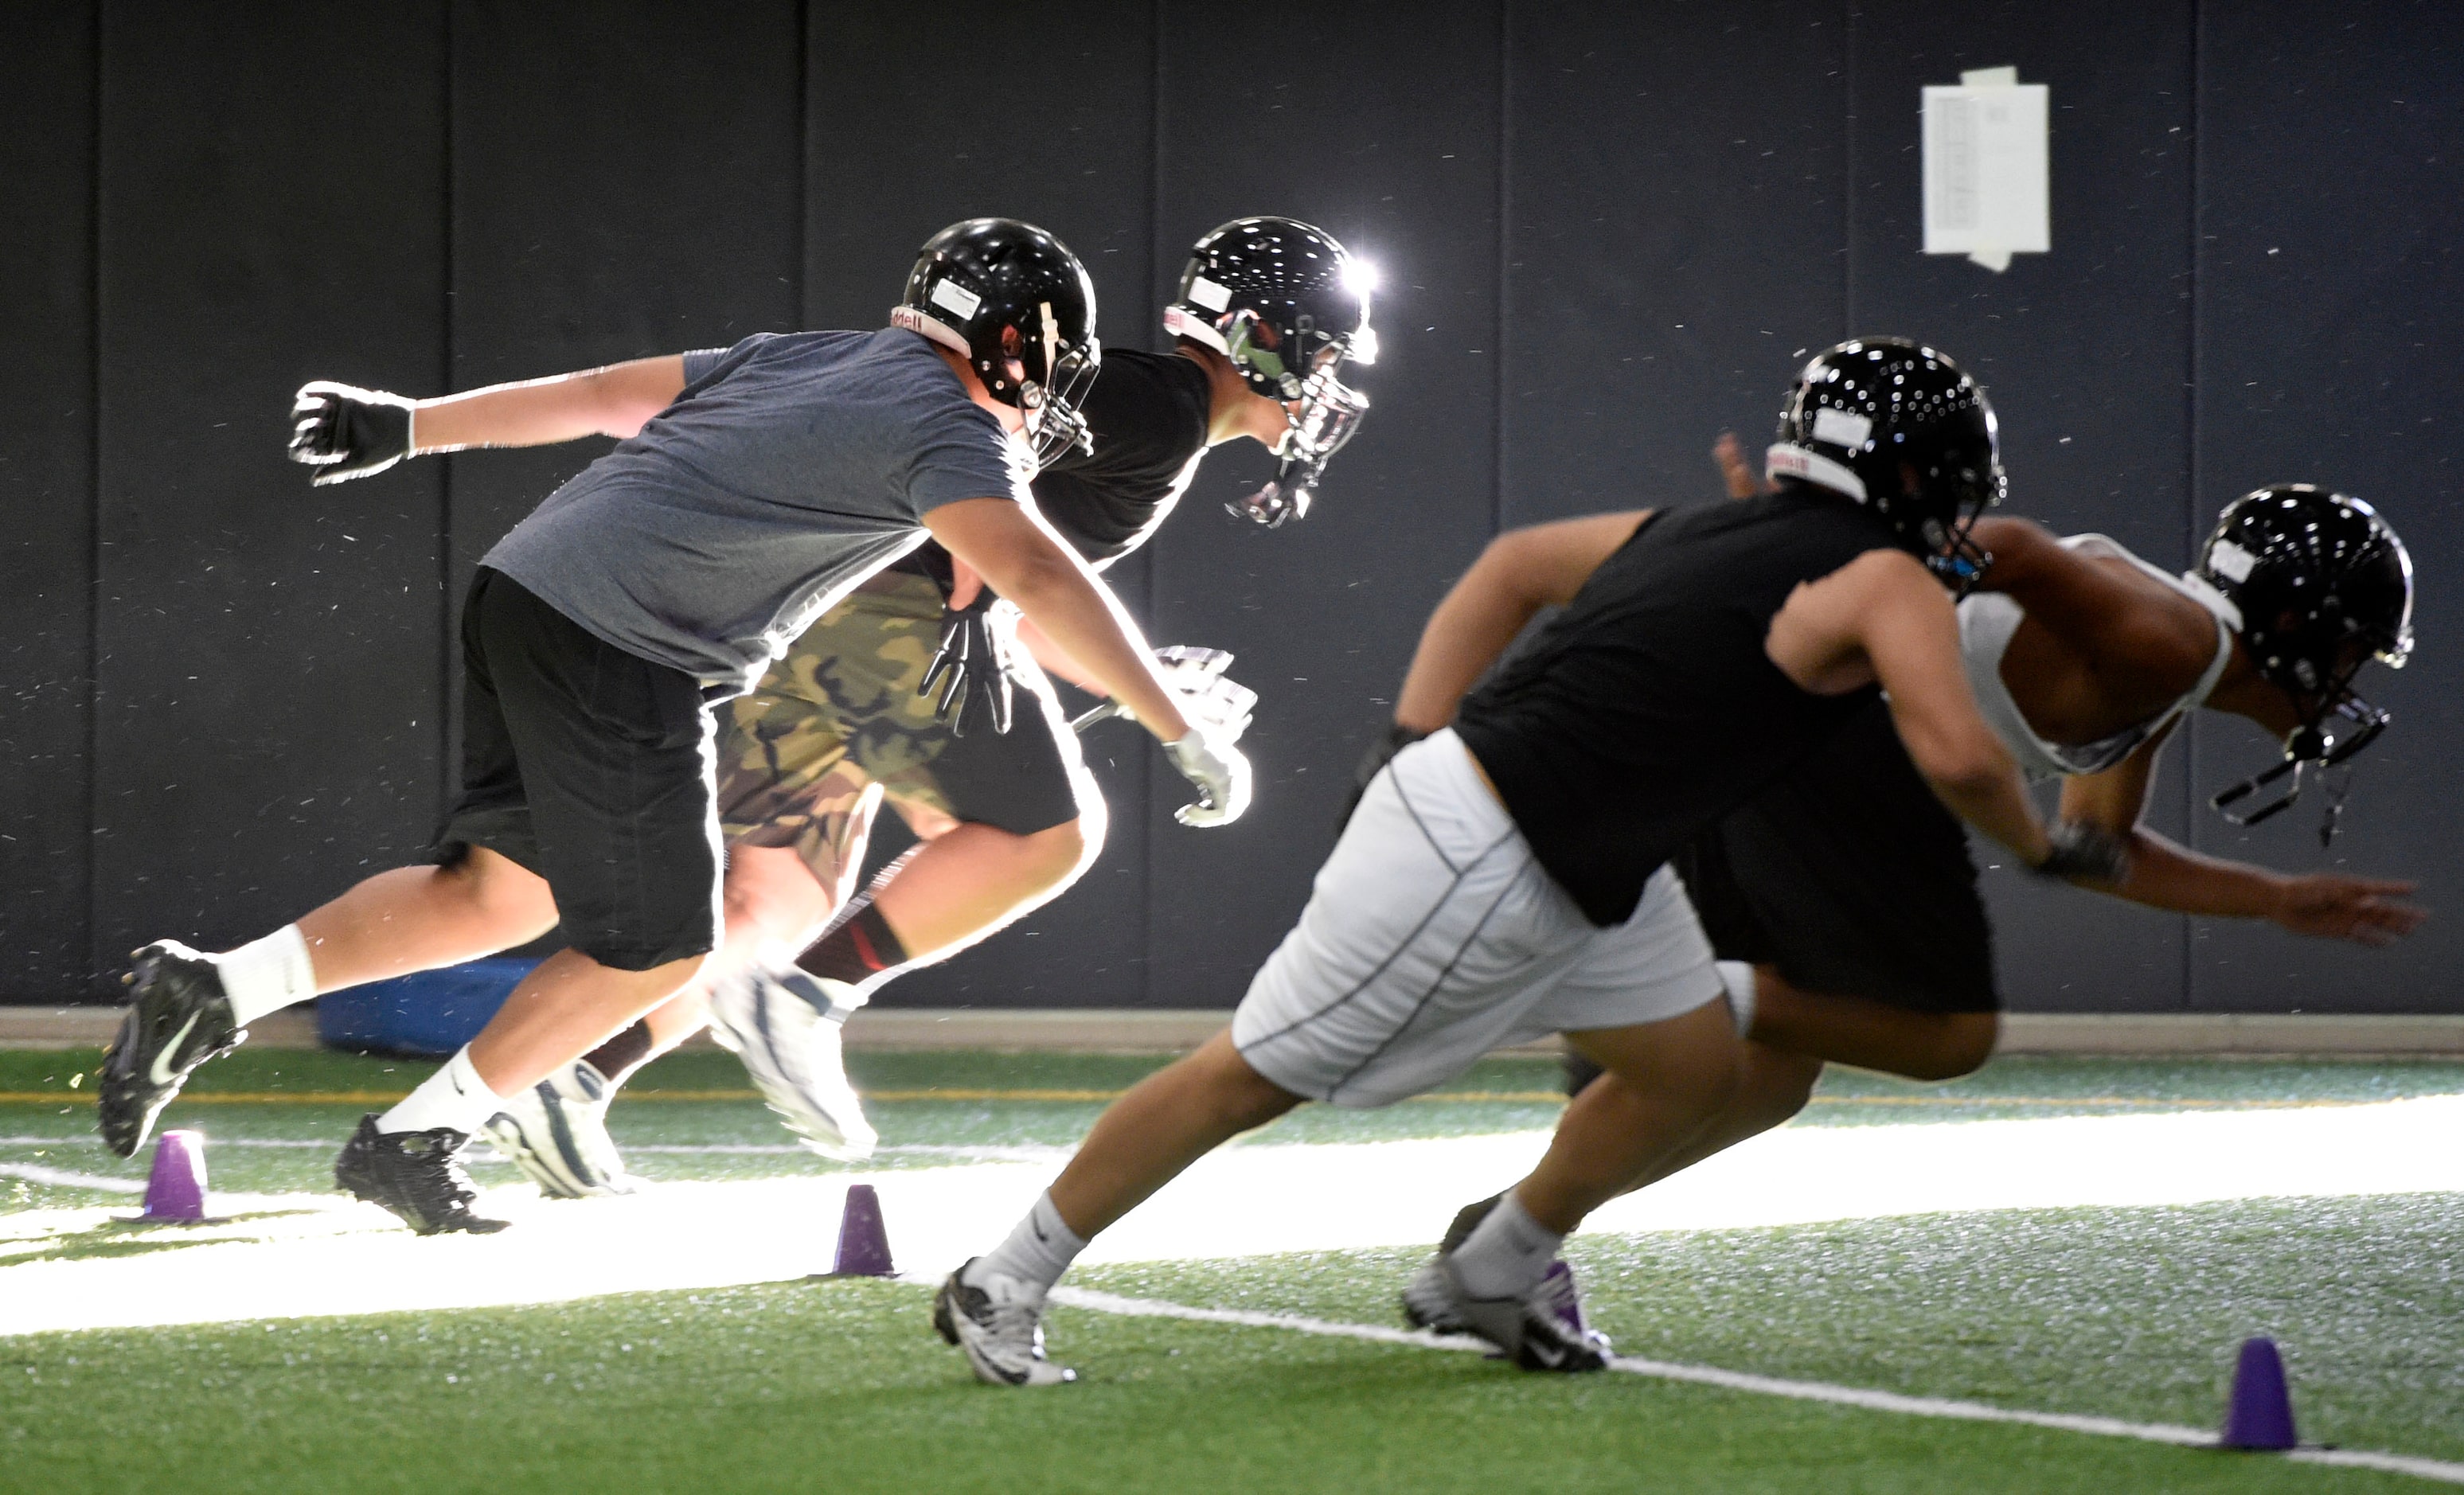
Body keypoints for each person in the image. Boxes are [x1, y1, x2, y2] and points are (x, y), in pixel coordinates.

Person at [933, 337, 2130, 1386]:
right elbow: (1964, 760)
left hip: (1580, 848)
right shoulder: (1882, 574)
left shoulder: (1696, 529)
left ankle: (1494, 1266)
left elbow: (1509, 564)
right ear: (1910, 475)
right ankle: (1004, 1273)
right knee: (1252, 1075)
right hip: (1494, 838)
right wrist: (2047, 846)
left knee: (1690, 1060)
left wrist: (1407, 732)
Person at [96, 219, 1251, 1237]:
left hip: (525, 591)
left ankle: (213, 988)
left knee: (503, 891)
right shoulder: (948, 429)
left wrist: (412, 425)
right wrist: (1173, 726)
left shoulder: (807, 355)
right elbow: (1039, 575)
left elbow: (605, 393)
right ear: (1018, 343)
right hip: (622, 641)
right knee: (665, 948)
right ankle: (412, 1140)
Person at [476, 217, 1380, 1196]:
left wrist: (1132, 675)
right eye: (1323, 351)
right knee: (1050, 835)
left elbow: (1020, 586)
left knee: (775, 899)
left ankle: (568, 1077)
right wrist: (1176, 723)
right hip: (883, 615)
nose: (1330, 380)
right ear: (1262, 337)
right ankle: (810, 997)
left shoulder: (1151, 416)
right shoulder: (1153, 412)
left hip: (820, 615)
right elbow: (998, 525)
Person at [1414, 466, 2422, 1330]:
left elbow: (2094, 849)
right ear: (2293, 624)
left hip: (1769, 752)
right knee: (1943, 1034)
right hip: (1819, 759)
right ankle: (1679, 1003)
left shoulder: (2169, 661)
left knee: (1770, 1081)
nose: (2344, 685)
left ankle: (1505, 1242)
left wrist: (2274, 901)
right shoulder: (2169, 642)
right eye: (2347, 653)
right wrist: (1848, 576)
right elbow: (2016, 547)